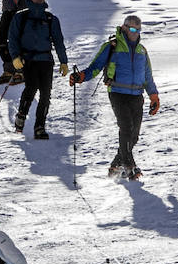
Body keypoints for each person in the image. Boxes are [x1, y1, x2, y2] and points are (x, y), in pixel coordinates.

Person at [69, 15, 161, 179]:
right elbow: (95, 67)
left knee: (134, 136)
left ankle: (115, 165)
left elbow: (147, 76)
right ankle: (129, 166)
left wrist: (154, 96)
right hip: (118, 93)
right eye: (133, 29)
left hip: (137, 96)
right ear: (124, 28)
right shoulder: (112, 46)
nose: (136, 33)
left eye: (139, 30)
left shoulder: (142, 51)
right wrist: (82, 76)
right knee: (126, 128)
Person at [7, 0, 68, 140]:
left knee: (46, 94)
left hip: (46, 60)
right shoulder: (20, 17)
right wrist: (15, 57)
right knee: (31, 87)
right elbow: (12, 39)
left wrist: (63, 61)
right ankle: (22, 115)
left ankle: (40, 126)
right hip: (28, 60)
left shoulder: (50, 19)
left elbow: (58, 42)